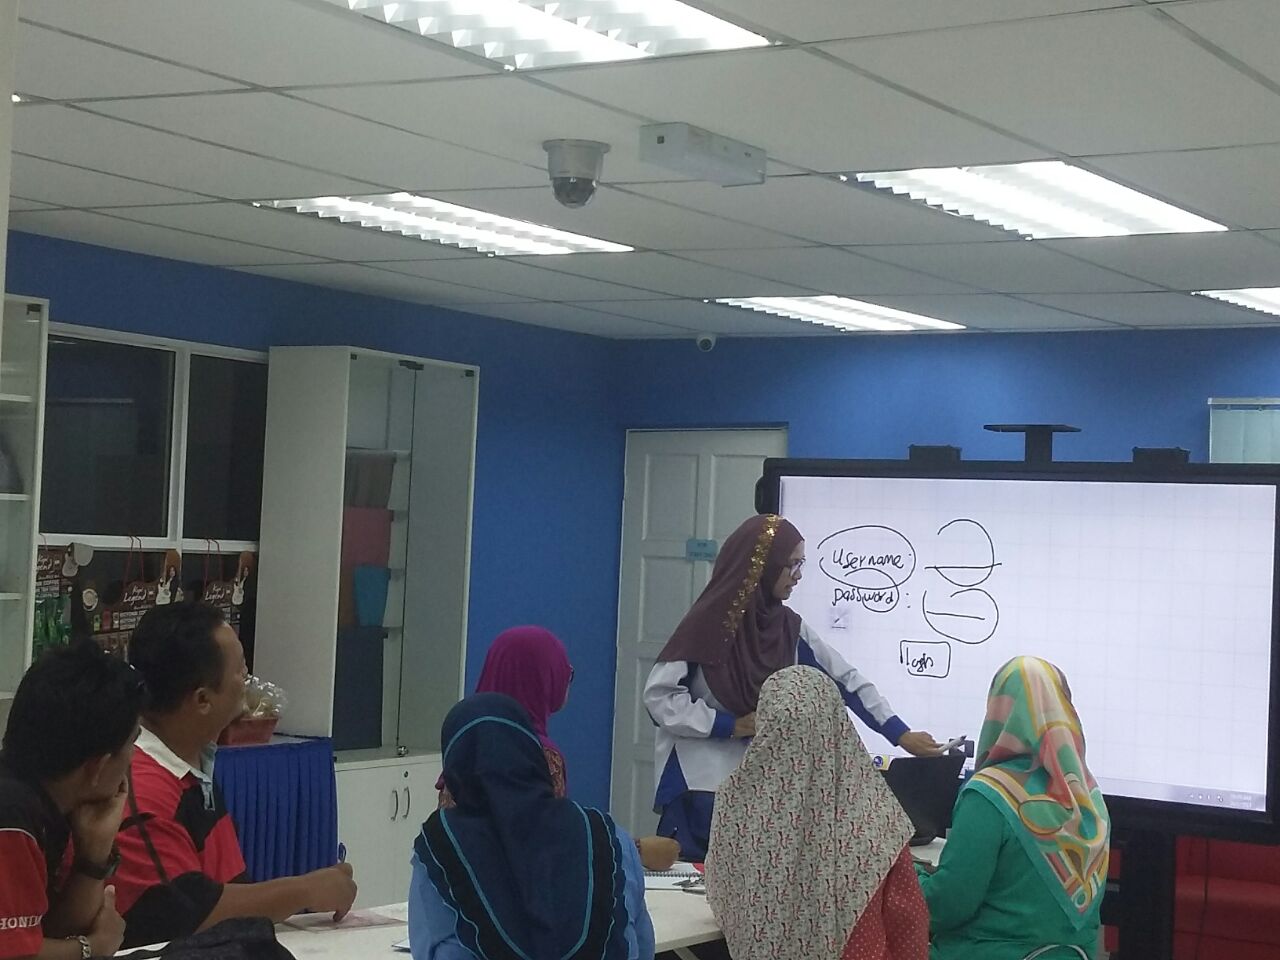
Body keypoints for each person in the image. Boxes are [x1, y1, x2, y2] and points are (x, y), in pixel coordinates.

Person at [644, 513, 941, 860]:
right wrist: (729, 725)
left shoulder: (788, 628)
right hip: (696, 788)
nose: (798, 576)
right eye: (792, 565)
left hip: (759, 789)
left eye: (802, 564)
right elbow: (659, 698)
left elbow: (846, 681)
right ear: (762, 567)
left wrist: (900, 734)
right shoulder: (705, 627)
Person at [114, 602, 358, 947]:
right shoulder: (142, 792)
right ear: (202, 700)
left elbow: (230, 890)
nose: (248, 682)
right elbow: (186, 914)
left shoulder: (193, 764)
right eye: (241, 671)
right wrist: (305, 890)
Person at [706, 666, 928, 960]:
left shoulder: (737, 804)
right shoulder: (876, 817)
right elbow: (908, 923)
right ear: (839, 723)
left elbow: (722, 899)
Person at [410, 693, 654, 960]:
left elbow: (426, 947)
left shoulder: (443, 845)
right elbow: (643, 946)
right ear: (532, 755)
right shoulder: (604, 834)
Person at [439, 626, 681, 872]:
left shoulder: (466, 741)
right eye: (564, 671)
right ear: (541, 678)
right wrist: (634, 850)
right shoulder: (538, 755)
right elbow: (548, 846)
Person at [917, 656, 1110, 960]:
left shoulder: (989, 792)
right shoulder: (1088, 798)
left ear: (999, 711)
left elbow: (947, 907)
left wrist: (910, 876)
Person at [0, 640, 147, 960]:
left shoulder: (42, 799)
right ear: (98, 766)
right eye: (132, 743)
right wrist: (93, 948)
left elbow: (47, 933)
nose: (134, 758)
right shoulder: (11, 816)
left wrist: (94, 856)